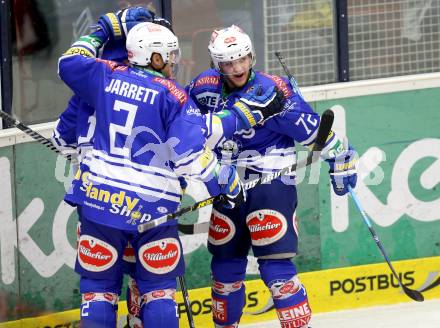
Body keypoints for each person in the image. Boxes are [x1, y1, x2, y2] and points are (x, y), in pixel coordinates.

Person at [56, 15, 254, 327]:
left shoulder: (106, 76)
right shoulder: (173, 95)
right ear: (156, 57)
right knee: (158, 291)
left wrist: (104, 28)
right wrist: (224, 182)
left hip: (98, 204)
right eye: (171, 55)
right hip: (152, 211)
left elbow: (68, 63)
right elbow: (188, 154)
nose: (174, 62)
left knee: (98, 292)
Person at [187, 25, 358, 328]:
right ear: (217, 64)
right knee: (225, 271)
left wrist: (342, 158)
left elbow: (314, 131)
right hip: (228, 184)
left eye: (243, 59)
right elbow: (182, 124)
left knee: (276, 269)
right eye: (229, 63)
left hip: (270, 183)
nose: (238, 68)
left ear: (252, 55)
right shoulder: (202, 88)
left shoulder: (273, 90)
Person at [52, 7, 175, 327]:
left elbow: (61, 140)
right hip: (150, 202)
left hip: (98, 198)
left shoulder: (93, 84)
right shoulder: (163, 91)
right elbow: (182, 148)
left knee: (99, 290)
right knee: (154, 286)